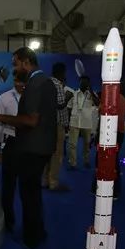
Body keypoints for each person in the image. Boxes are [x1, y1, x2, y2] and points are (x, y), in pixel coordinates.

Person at [0, 47, 58, 249]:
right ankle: (38, 231)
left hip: (32, 149)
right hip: (43, 147)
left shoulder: (34, 84)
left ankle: (31, 238)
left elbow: (31, 120)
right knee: (34, 194)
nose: (14, 69)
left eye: (15, 64)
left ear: (25, 62)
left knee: (28, 195)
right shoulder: (48, 82)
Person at [44, 62, 73, 191]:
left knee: (46, 153)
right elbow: (60, 105)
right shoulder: (58, 85)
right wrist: (68, 97)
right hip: (57, 125)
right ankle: (53, 182)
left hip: (46, 124)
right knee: (57, 155)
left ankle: (44, 180)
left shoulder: (46, 83)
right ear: (61, 72)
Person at [0, 73, 25, 163]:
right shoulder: (4, 98)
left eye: (23, 81)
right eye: (18, 81)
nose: (21, 84)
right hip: (12, 141)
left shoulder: (33, 97)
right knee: (9, 171)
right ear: (14, 80)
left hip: (30, 142)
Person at [67, 76, 98, 170]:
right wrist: (68, 122)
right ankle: (72, 163)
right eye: (81, 82)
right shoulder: (74, 94)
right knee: (72, 144)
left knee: (87, 143)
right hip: (74, 121)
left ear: (88, 83)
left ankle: (86, 160)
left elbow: (97, 103)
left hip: (86, 122)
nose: (83, 84)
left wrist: (91, 90)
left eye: (85, 82)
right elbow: (69, 108)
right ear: (79, 82)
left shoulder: (92, 94)